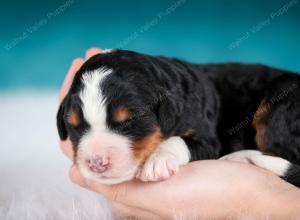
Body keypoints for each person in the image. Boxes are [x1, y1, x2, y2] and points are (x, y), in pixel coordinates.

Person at [59, 48, 300, 219]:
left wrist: (172, 150)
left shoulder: (180, 100)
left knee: (283, 108)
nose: (96, 157)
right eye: (78, 127)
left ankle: (288, 165)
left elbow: (206, 144)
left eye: (127, 122)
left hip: (286, 92)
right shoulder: (160, 95)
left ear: (165, 110)